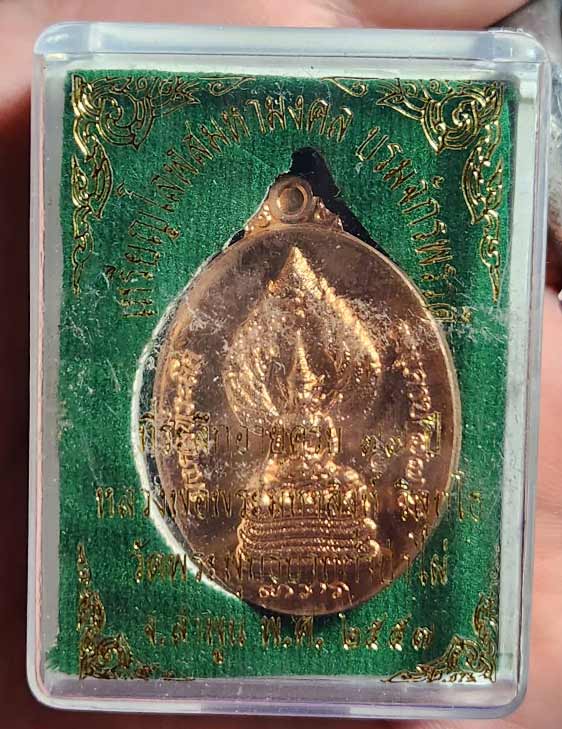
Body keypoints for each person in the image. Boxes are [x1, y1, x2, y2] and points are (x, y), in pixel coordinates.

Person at [0, 1, 559, 728]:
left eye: (316, 364)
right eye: (285, 363)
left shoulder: (338, 417)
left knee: (336, 483)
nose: (301, 375)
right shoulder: (264, 418)